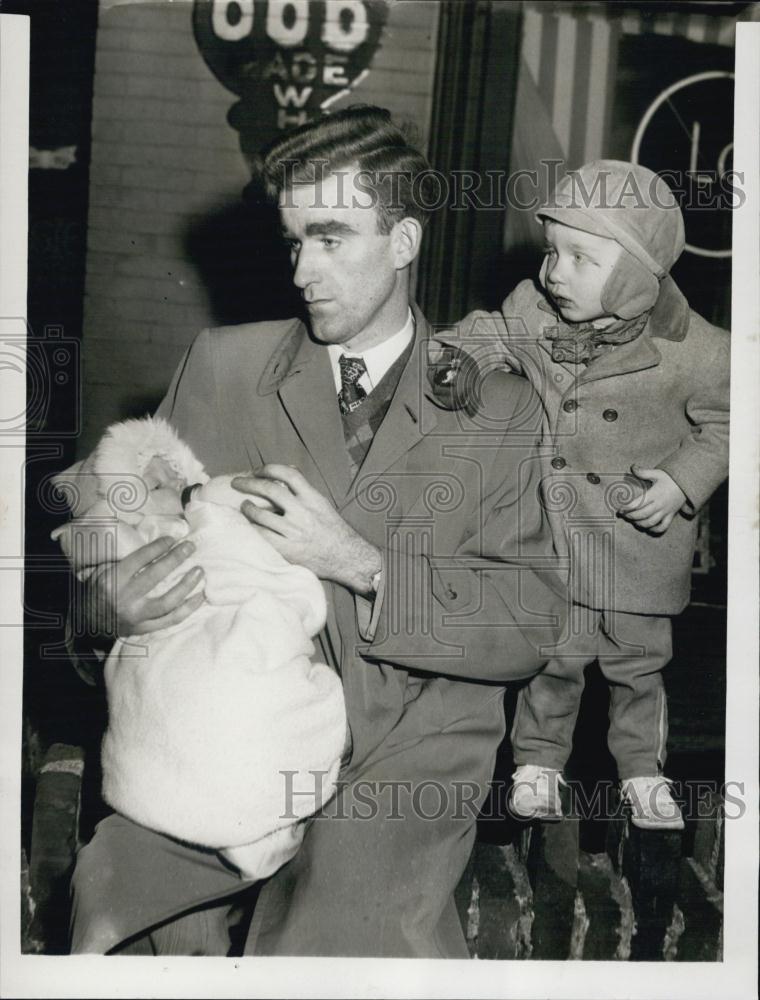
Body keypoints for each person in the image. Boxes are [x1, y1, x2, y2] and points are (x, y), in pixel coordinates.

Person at [67, 105, 566, 958]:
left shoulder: (497, 406)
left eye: (332, 238)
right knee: (124, 917)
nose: (303, 270)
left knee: (329, 943)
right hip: (224, 738)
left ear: (404, 242)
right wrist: (106, 608)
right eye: (294, 240)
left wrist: (358, 563)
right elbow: (105, 561)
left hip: (402, 762)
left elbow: (528, 625)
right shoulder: (223, 365)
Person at [453, 160, 730, 828]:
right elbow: (487, 332)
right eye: (554, 252)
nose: (556, 272)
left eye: (582, 257)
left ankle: (642, 775)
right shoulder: (534, 312)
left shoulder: (701, 351)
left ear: (638, 272)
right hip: (559, 542)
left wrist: (681, 482)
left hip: (639, 544)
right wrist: (459, 358)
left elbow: (732, 422)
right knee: (555, 662)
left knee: (638, 670)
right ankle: (538, 766)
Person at [51, 414, 347, 882]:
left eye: (176, 472)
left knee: (239, 696)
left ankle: (248, 813)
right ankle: (234, 812)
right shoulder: (142, 537)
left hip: (264, 686)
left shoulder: (201, 510)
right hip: (174, 676)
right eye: (154, 482)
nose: (177, 482)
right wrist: (93, 614)